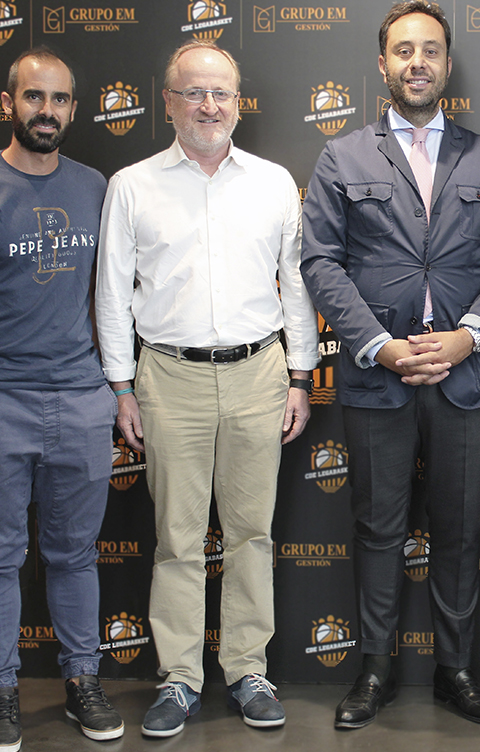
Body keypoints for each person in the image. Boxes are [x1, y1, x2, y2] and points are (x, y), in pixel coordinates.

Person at [300, 0, 480, 730]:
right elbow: (321, 262)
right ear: (382, 64)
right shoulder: (342, 156)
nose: (417, 63)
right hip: (379, 375)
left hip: (466, 376)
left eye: (430, 50)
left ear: (447, 63)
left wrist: (469, 336)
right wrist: (381, 345)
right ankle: (373, 670)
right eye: (403, 51)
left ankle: (455, 671)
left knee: (461, 530)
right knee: (377, 529)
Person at [94, 40, 318, 737]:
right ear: (168, 102)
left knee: (252, 533)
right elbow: (112, 293)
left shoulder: (275, 182)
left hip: (259, 372)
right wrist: (122, 386)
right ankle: (180, 677)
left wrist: (302, 375)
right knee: (177, 539)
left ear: (238, 102)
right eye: (194, 92)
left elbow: (299, 288)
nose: (209, 106)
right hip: (168, 376)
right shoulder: (132, 184)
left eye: (221, 93)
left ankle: (248, 667)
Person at [0, 46, 124, 751]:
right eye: (33, 97)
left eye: (59, 100)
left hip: (81, 399)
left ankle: (82, 681)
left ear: (75, 109)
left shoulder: (96, 187)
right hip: (4, 400)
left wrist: (115, 389)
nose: (46, 111)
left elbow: (113, 297)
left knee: (75, 555)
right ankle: (4, 688)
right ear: (9, 103)